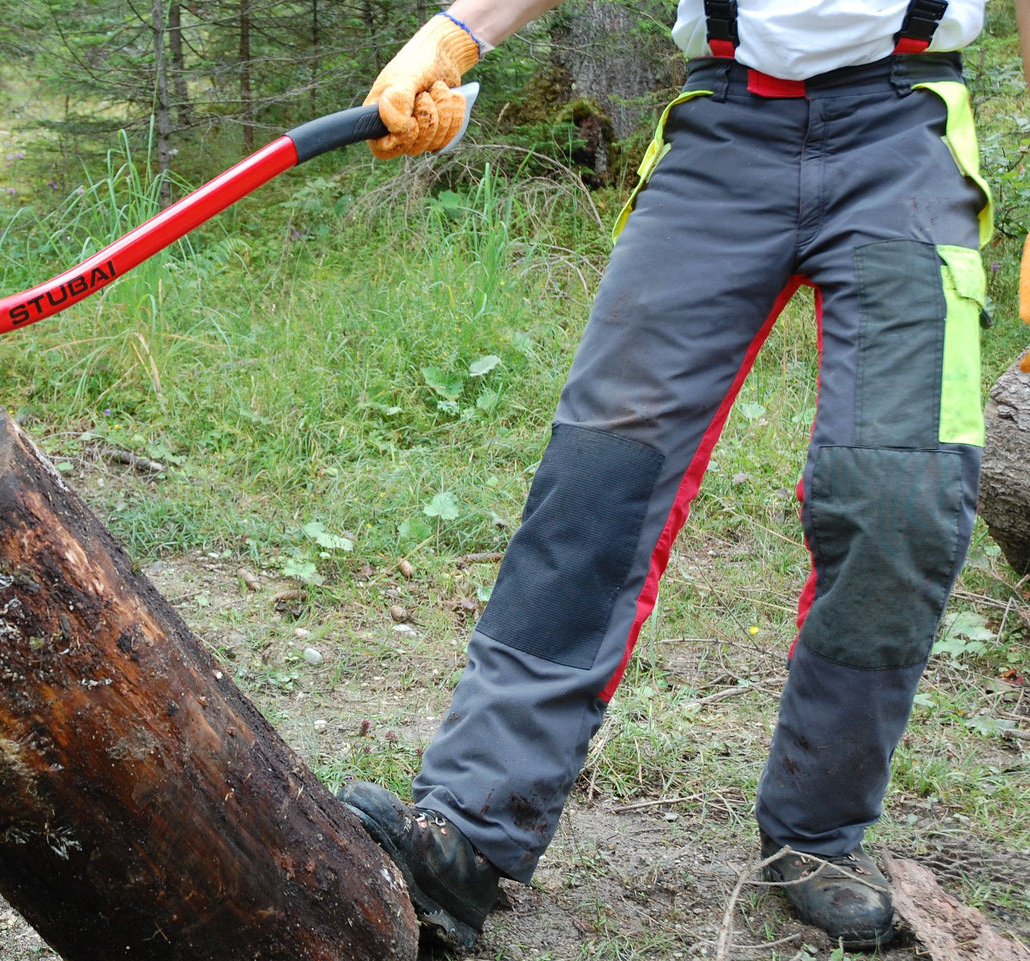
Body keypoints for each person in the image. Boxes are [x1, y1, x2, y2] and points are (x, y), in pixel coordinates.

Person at [337, 0, 1030, 953]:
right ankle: (471, 819)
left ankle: (818, 833)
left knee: (902, 496)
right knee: (599, 477)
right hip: (720, 133)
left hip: (903, 136)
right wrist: (452, 37)